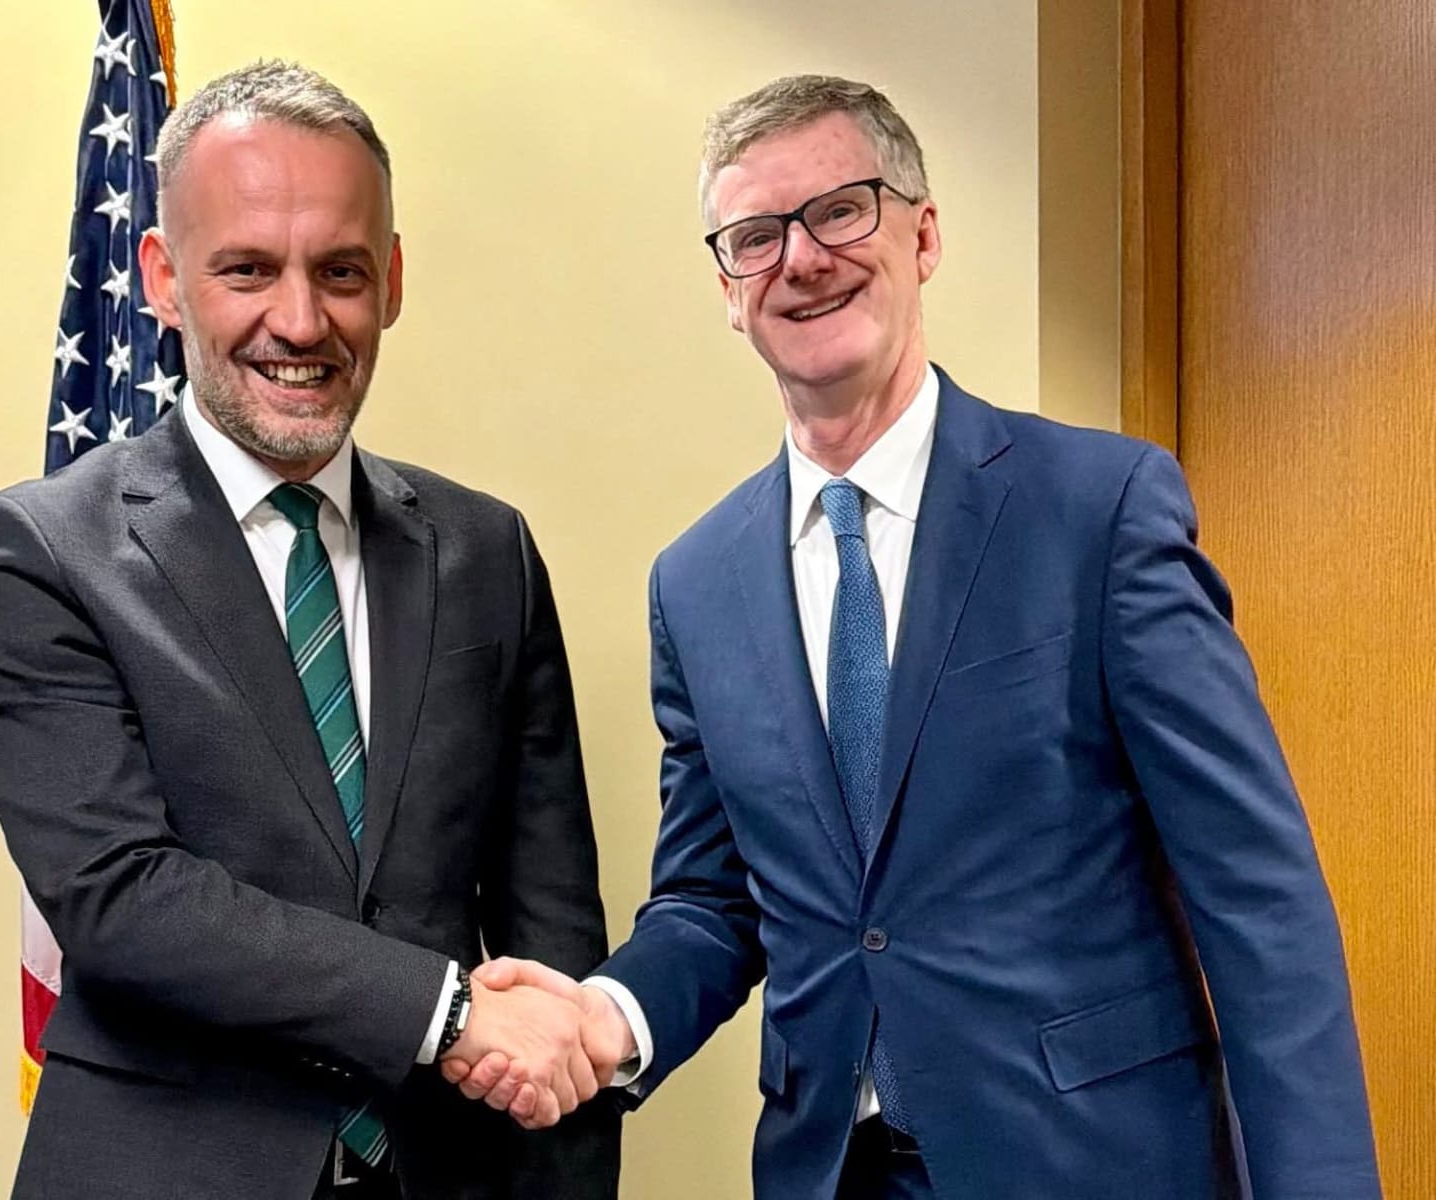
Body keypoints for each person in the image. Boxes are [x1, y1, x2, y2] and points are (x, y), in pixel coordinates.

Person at [451, 74, 1381, 1200]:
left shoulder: (1096, 511)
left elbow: (1256, 897)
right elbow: (714, 900)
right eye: (756, 237)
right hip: (831, 1173)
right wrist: (605, 1016)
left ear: (923, 233)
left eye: (841, 211)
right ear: (728, 290)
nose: (802, 259)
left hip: (1095, 1166)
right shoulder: (695, 585)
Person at [0, 61, 617, 1200]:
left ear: (392, 280)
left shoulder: (486, 551)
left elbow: (551, 930)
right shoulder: (43, 551)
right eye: (248, 269)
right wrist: (444, 1011)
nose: (301, 322)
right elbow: (119, 896)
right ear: (163, 280)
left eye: (341, 272)